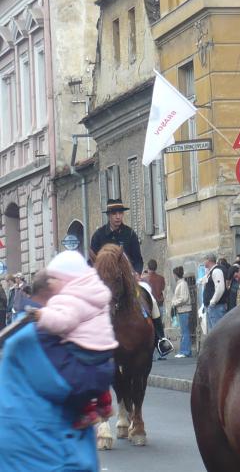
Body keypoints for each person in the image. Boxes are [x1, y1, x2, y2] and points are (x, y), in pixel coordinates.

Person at [0, 270, 108, 471]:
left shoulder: (24, 328)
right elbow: (73, 385)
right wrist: (103, 351)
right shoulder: (42, 334)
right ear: (53, 296)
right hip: (46, 453)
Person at [31, 251, 117, 429]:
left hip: (83, 348)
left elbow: (63, 322)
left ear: (66, 280)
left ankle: (87, 411)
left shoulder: (68, 298)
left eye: (53, 280)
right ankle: (105, 402)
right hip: (106, 348)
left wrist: (42, 316)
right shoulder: (96, 292)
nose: (50, 284)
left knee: (67, 375)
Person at [90, 198, 144, 275]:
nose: (118, 217)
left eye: (120, 213)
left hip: (127, 277)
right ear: (108, 215)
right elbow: (92, 261)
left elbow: (138, 260)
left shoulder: (130, 234)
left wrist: (136, 273)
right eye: (114, 213)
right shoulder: (98, 235)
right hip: (104, 278)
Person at [203, 253, 229, 331]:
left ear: (209, 260)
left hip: (216, 307)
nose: (203, 262)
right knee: (213, 332)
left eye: (204, 260)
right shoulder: (211, 272)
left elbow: (220, 288)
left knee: (217, 332)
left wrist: (212, 302)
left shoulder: (216, 271)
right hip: (213, 307)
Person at [171, 266, 192, 358]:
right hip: (182, 309)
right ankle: (185, 350)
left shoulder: (182, 284)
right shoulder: (181, 283)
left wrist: (174, 303)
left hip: (184, 309)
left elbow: (184, 298)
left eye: (174, 274)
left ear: (176, 274)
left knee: (185, 331)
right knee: (184, 331)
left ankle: (185, 351)